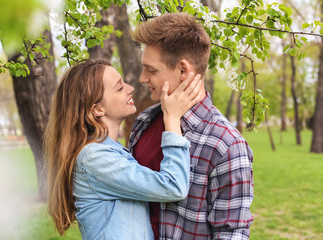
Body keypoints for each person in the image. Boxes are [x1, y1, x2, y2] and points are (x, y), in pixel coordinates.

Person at [44, 59, 203, 239]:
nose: (130, 88)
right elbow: (173, 186)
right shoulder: (95, 158)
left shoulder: (112, 152)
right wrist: (172, 118)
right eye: (119, 88)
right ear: (97, 109)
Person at [129, 12, 254, 239]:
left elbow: (231, 234)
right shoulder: (144, 121)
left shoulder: (226, 144)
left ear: (183, 70)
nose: (142, 78)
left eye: (151, 69)